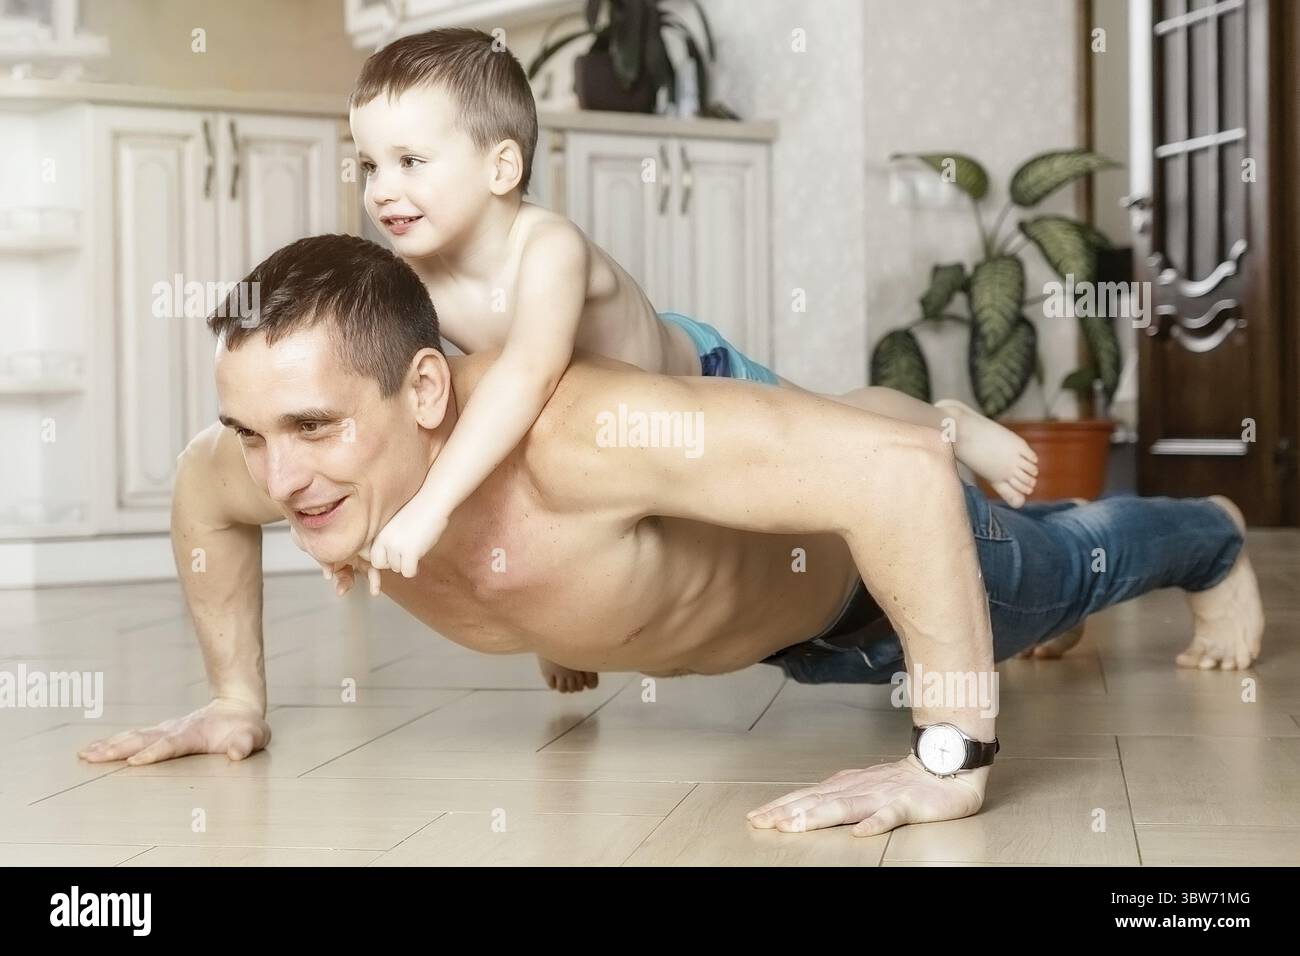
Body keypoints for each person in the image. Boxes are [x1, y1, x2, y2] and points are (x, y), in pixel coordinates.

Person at [79, 235, 1262, 836]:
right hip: (769, 622)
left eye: (311, 427)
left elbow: (897, 478)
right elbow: (202, 502)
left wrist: (944, 760)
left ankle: (1208, 532)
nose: (278, 477)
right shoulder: (267, 464)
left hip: (868, 595)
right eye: (250, 431)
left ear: (429, 391)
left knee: (1075, 558)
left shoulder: (578, 438)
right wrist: (235, 695)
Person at [344, 28, 1040, 689]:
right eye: (370, 165)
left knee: (841, 429)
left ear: (502, 166)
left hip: (702, 381)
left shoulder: (545, 247)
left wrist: (430, 509)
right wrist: (358, 523)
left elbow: (529, 373)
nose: (381, 189)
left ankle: (946, 424)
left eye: (410, 162)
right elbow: (415, 411)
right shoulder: (418, 286)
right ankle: (559, 636)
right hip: (617, 454)